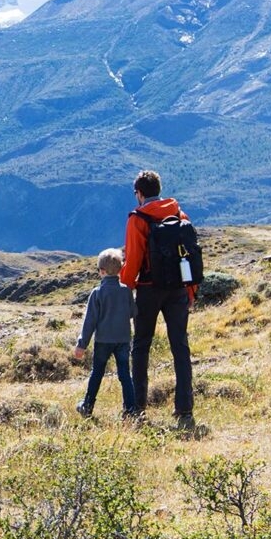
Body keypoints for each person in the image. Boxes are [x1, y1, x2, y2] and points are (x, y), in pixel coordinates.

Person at [120, 170, 196, 430]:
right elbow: (189, 254)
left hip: (149, 289)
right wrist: (191, 291)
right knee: (180, 347)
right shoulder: (178, 214)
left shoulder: (138, 218)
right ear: (159, 189)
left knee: (141, 346)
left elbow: (133, 259)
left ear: (139, 193)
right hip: (177, 290)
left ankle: (136, 408)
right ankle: (184, 409)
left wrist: (124, 289)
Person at [73, 247, 136, 418]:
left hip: (103, 341)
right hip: (123, 339)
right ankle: (131, 410)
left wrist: (82, 344)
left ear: (101, 271)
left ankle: (87, 406)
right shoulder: (126, 291)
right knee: (125, 374)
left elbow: (90, 321)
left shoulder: (97, 293)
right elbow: (133, 312)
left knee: (97, 373)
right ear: (121, 269)